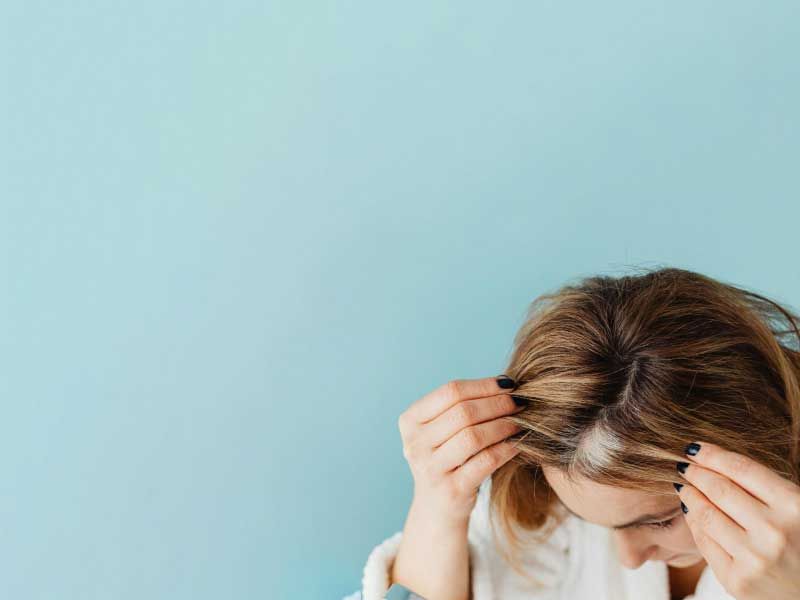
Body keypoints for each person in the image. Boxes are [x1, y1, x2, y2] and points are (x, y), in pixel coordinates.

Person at [344, 267, 800, 600]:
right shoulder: (540, 520)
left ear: (758, 448)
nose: (628, 558)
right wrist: (437, 504)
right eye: (590, 518)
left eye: (659, 520)